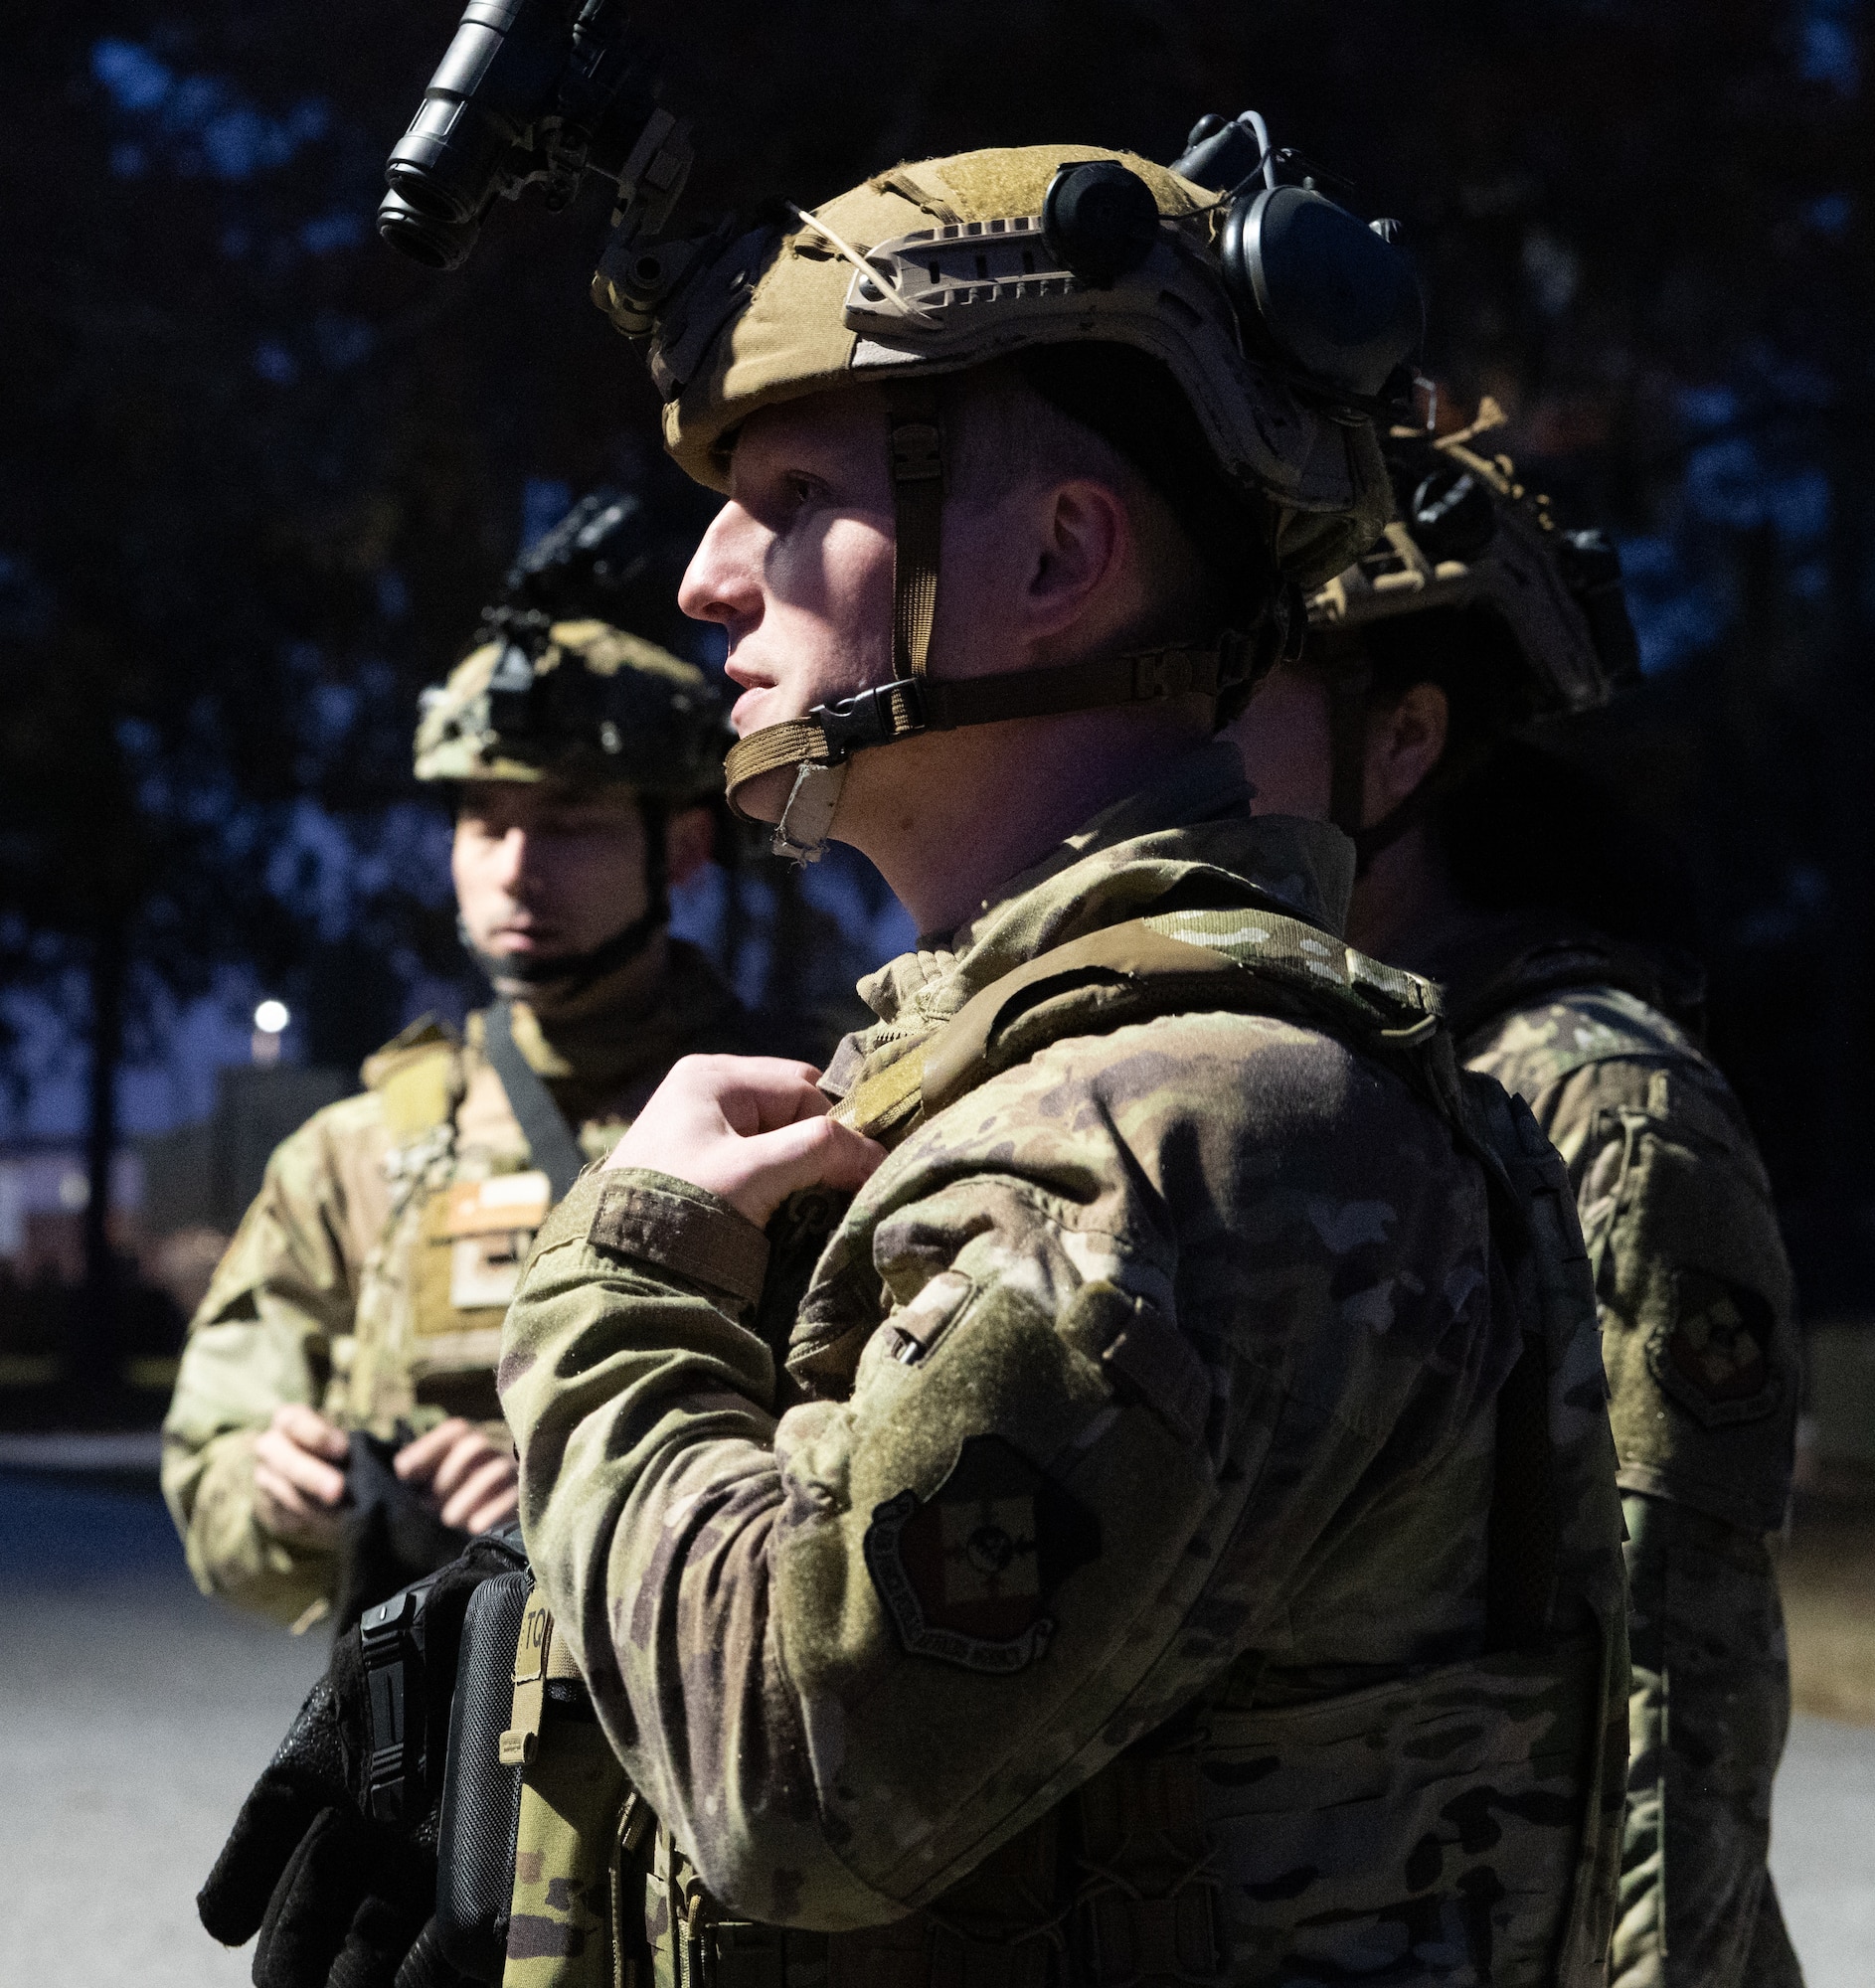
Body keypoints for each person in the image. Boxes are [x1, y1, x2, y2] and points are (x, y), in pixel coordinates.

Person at [200, 145, 1628, 1988]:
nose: (710, 577)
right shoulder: (1050, 1078)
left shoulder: (1178, 1131)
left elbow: (797, 1785)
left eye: (790, 496)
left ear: (1055, 557)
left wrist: (619, 1286)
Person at [1229, 405, 1804, 1988]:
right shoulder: (1263, 1070)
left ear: (1400, 742)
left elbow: (1677, 1683)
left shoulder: (1588, 1100)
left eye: (1227, 693)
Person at [162, 505, 760, 1635]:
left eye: (570, 821)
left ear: (679, 847)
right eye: (484, 823)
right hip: (432, 1777)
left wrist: (570, 1493)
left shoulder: (791, 1107)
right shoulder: (358, 1153)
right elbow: (212, 1481)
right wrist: (274, 1486)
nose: (517, 868)